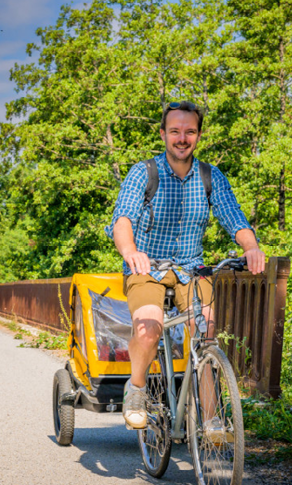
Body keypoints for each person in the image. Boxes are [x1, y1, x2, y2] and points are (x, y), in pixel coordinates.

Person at [105, 101, 266, 436]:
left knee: (206, 331)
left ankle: (210, 418)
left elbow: (234, 217)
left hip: (192, 270)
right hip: (147, 266)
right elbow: (122, 220)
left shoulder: (210, 176)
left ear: (198, 135)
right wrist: (131, 250)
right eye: (175, 131)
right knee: (149, 327)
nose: (182, 138)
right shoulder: (144, 173)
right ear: (163, 134)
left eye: (189, 131)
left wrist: (251, 247)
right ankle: (135, 390)